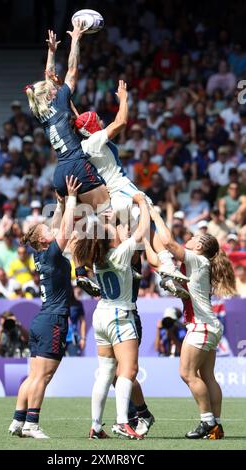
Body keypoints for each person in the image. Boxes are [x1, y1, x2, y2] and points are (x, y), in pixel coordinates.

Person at [74, 82, 189, 297]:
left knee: (140, 235)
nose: (101, 120)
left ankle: (157, 272)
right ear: (90, 127)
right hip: (122, 189)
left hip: (112, 198)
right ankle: (166, 267)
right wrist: (124, 99)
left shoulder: (84, 144)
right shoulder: (95, 140)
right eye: (97, 118)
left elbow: (80, 121)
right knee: (152, 221)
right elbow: (121, 122)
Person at [145, 203, 236, 439]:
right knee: (207, 377)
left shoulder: (198, 260)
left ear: (200, 246)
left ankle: (207, 423)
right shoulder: (196, 263)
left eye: (196, 237)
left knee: (187, 373)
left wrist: (153, 212)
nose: (191, 237)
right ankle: (216, 425)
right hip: (209, 325)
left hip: (201, 326)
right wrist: (145, 233)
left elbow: (168, 244)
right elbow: (158, 256)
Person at [8, 175, 81, 439]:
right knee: (43, 377)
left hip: (42, 319)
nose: (51, 229)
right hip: (53, 319)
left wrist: (59, 205)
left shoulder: (41, 254)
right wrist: (71, 198)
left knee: (34, 375)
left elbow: (58, 224)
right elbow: (66, 227)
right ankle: (31, 425)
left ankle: (17, 420)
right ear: (42, 241)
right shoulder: (51, 252)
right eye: (46, 231)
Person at [73, 193, 149, 440]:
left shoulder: (98, 257)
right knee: (128, 370)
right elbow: (143, 230)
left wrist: (113, 224)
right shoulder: (121, 253)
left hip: (101, 313)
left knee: (105, 372)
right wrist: (143, 205)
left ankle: (95, 426)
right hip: (120, 314)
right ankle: (122, 422)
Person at [24, 27, 109, 210]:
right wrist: (76, 40)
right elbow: (72, 71)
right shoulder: (60, 102)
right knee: (108, 212)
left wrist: (51, 52)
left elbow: (48, 77)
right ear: (49, 96)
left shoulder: (40, 111)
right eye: (52, 89)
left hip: (60, 173)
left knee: (82, 224)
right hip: (77, 165)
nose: (55, 86)